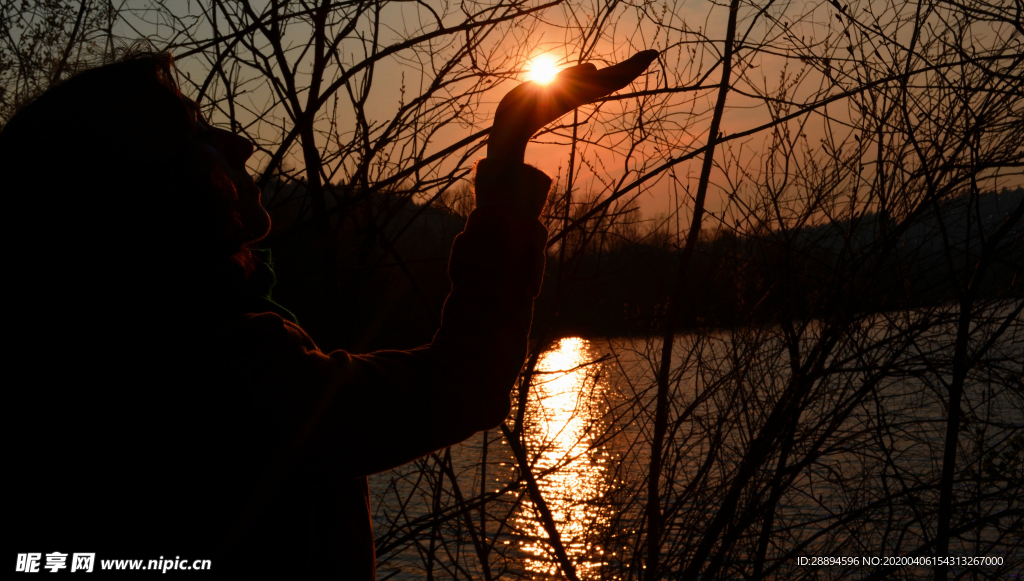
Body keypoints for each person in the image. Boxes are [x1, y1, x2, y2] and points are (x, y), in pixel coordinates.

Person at [3, 47, 657, 576]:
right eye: (196, 134)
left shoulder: (72, 359)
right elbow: (461, 383)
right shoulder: (228, 365)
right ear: (143, 188)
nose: (238, 143)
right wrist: (509, 149)